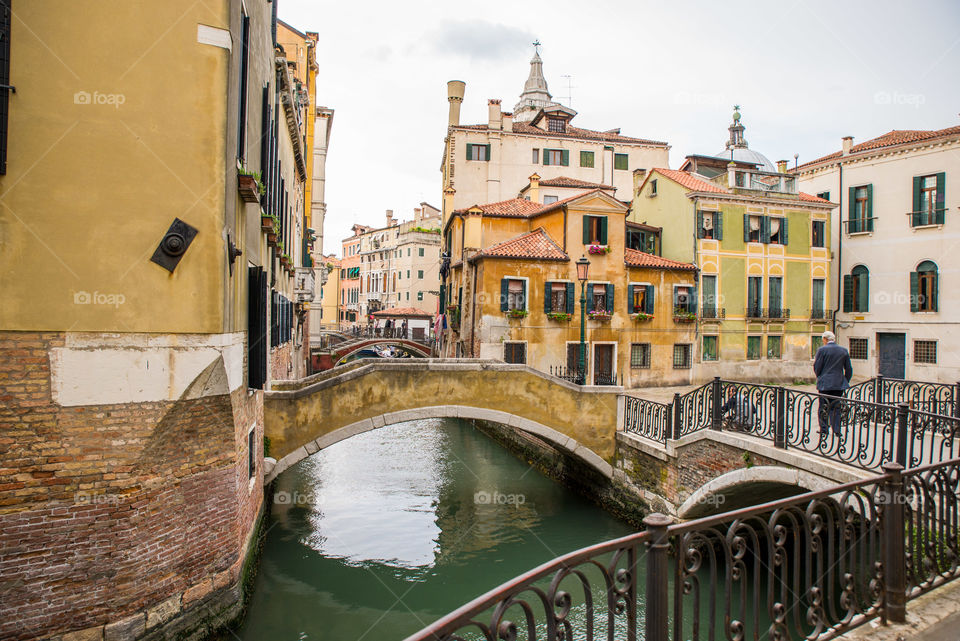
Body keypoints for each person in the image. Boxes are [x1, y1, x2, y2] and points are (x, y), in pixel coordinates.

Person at [813, 330, 853, 436]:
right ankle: (837, 430)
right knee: (836, 407)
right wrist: (844, 380)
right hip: (838, 384)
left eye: (823, 340)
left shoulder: (822, 350)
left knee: (823, 406)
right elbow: (848, 369)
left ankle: (824, 429)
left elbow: (817, 367)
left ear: (825, 339)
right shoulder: (843, 350)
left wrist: (820, 377)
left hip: (824, 384)